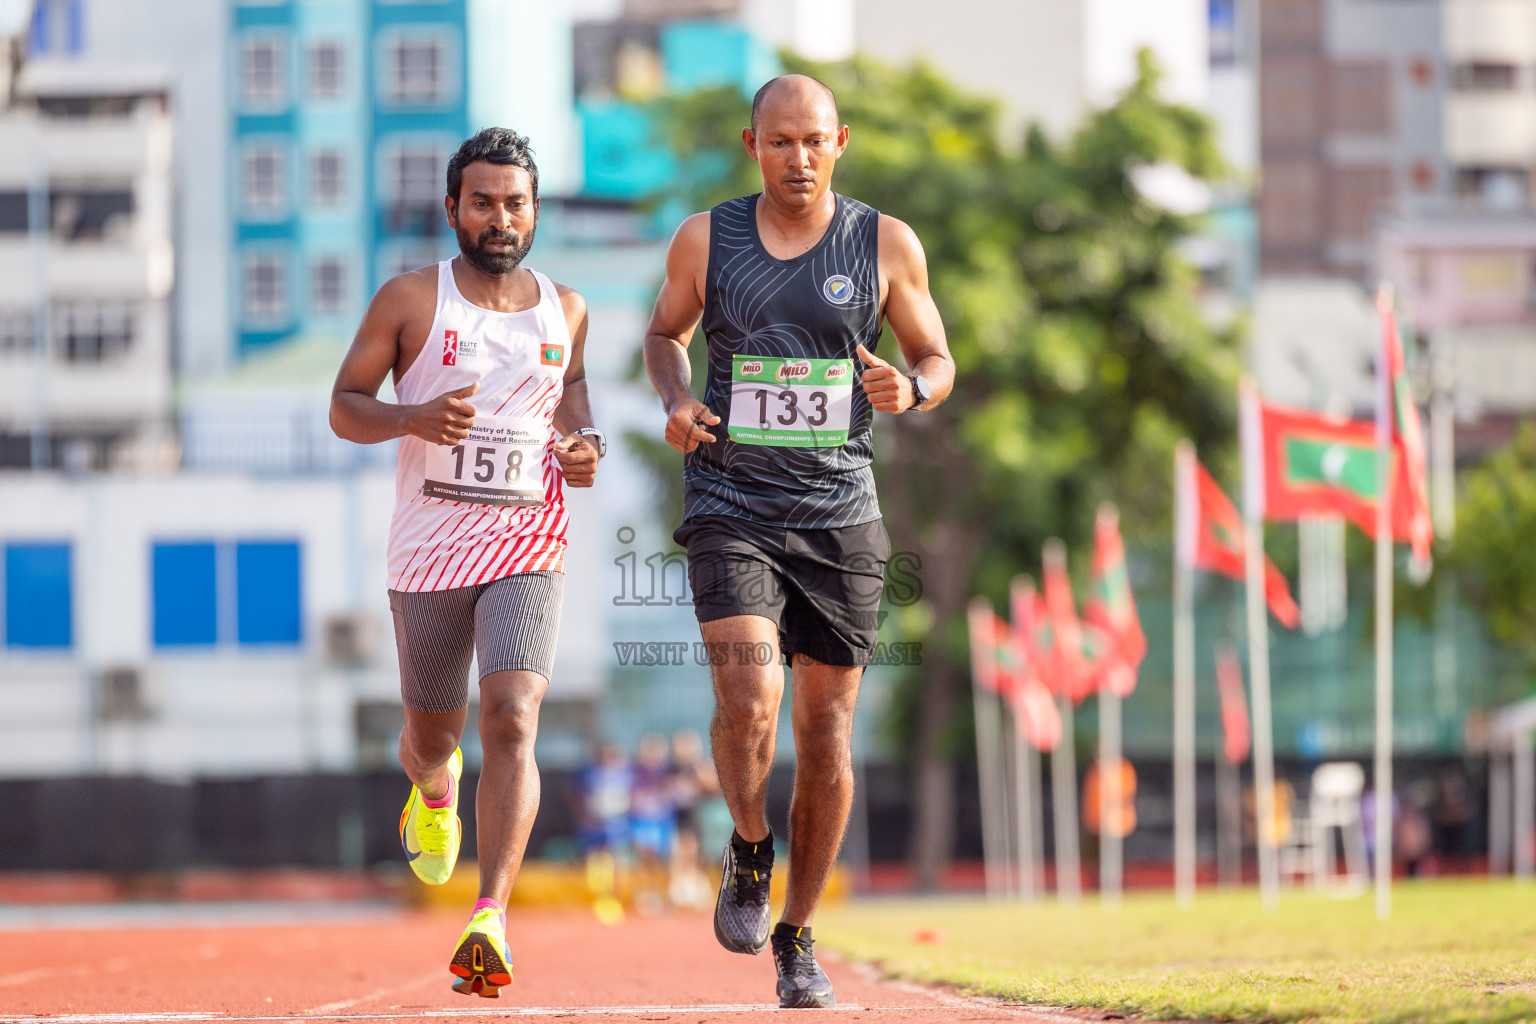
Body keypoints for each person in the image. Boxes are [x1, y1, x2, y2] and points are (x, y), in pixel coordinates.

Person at [640, 74, 954, 1008]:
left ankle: (799, 936)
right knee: (749, 696)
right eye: (780, 142)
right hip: (731, 500)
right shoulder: (708, 237)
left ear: (841, 140)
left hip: (840, 513)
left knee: (826, 735)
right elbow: (665, 334)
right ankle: (747, 845)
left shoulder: (885, 243)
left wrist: (916, 388)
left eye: (814, 140)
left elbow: (936, 355)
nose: (799, 158)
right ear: (752, 145)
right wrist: (676, 397)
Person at [329, 127, 605, 999]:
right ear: (453, 208)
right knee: (434, 739)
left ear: (535, 211)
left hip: (528, 538)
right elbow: (344, 406)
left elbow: (577, 393)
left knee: (515, 714)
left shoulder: (567, 307)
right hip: (428, 550)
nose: (500, 217)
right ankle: (434, 789)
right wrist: (412, 420)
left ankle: (490, 915)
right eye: (482, 202)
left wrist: (582, 442)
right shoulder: (411, 299)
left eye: (516, 202)